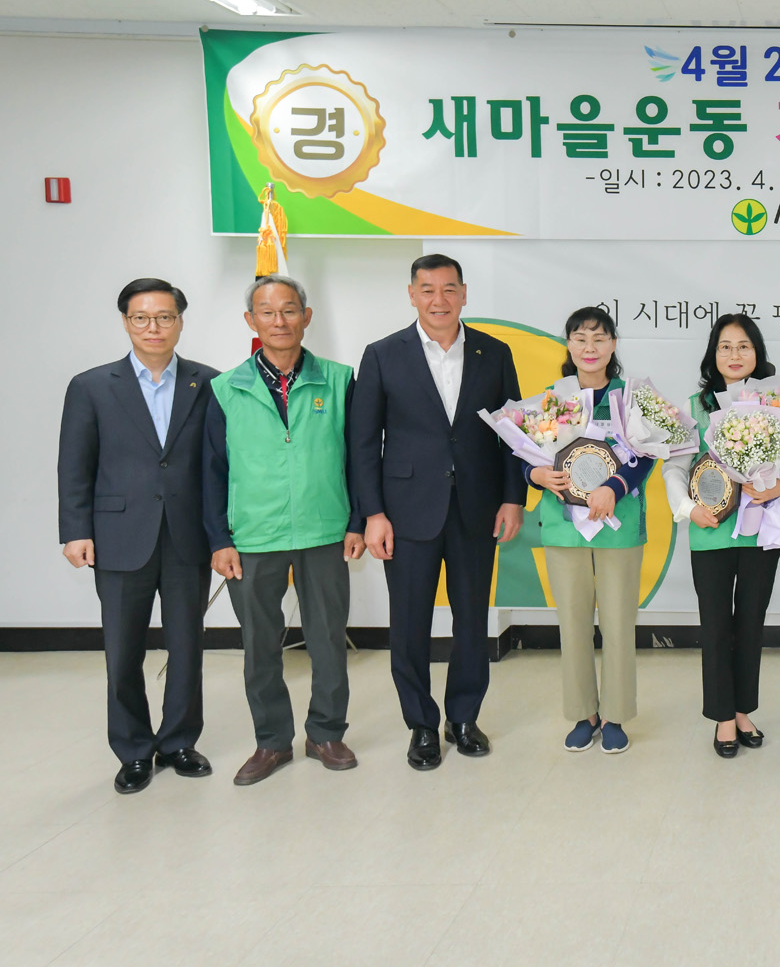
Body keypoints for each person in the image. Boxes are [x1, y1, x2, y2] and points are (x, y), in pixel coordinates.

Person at [349, 254, 526, 771]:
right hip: (405, 513)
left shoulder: (495, 352)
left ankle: (464, 718)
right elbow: (363, 443)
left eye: (449, 289)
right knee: (409, 623)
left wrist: (513, 497)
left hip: (478, 508)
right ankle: (422, 725)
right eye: (427, 290)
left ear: (464, 294)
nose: (439, 300)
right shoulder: (383, 355)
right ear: (412, 295)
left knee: (472, 619)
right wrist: (372, 514)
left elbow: (514, 435)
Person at [203, 275, 367, 786]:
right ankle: (272, 741)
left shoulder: (339, 380)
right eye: (267, 312)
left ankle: (326, 734)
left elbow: (360, 457)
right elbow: (210, 471)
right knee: (260, 645)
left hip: (324, 531)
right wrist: (219, 539)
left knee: (328, 640)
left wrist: (357, 521)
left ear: (306, 316)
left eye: (289, 310)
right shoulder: (225, 388)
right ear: (251, 321)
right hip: (252, 536)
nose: (279, 321)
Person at [58, 278, 217, 794]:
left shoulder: (208, 383)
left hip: (187, 535)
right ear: (126, 322)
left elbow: (217, 466)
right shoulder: (91, 386)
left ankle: (178, 742)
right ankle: (132, 749)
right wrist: (75, 530)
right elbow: (74, 465)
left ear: (180, 322)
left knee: (187, 645)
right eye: (141, 318)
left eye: (164, 317)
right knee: (123, 649)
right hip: (119, 535)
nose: (153, 327)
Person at [662, 314, 780, 757]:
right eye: (725, 346)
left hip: (761, 530)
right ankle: (722, 717)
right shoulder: (695, 406)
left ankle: (743, 710)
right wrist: (689, 509)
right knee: (715, 627)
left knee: (750, 624)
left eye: (743, 346)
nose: (734, 354)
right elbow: (674, 467)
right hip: (710, 532)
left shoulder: (778, 405)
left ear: (757, 353)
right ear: (713, 354)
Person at [529, 306, 654, 755]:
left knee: (618, 623)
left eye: (599, 338)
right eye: (580, 338)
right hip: (564, 528)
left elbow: (648, 453)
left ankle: (616, 715)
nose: (590, 347)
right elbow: (526, 448)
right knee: (573, 624)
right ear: (568, 344)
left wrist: (614, 486)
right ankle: (585, 714)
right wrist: (534, 475)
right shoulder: (552, 398)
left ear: (613, 345)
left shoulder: (632, 397)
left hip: (617, 524)